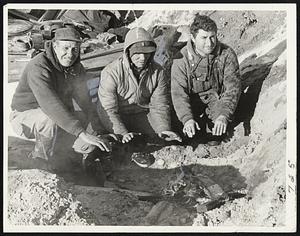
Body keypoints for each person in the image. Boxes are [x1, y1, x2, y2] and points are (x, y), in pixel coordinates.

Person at [10, 27, 115, 174]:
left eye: (75, 49)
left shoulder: (76, 67)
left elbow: (85, 102)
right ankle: (41, 162)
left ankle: (70, 159)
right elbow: (50, 105)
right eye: (65, 48)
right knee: (48, 120)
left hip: (56, 116)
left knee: (81, 121)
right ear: (54, 46)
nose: (70, 54)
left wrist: (100, 129)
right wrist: (81, 133)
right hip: (25, 116)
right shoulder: (39, 66)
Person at [97, 27, 181, 165]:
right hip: (116, 116)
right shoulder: (111, 72)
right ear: (128, 53)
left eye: (147, 53)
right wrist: (122, 133)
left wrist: (163, 128)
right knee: (115, 144)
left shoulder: (158, 72)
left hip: (140, 113)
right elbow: (108, 110)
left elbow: (159, 104)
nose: (142, 58)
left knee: (166, 135)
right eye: (137, 53)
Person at [171, 14, 242, 145]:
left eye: (212, 37)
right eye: (204, 38)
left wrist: (223, 115)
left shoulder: (226, 54)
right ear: (193, 38)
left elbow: (232, 88)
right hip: (192, 101)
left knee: (218, 136)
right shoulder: (181, 59)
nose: (209, 43)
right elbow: (179, 94)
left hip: (216, 98)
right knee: (183, 135)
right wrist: (187, 119)